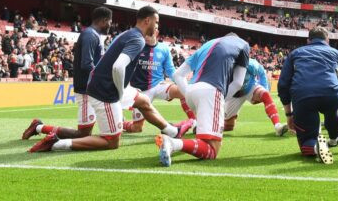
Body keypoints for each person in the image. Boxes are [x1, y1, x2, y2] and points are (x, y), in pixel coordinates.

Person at [28, 6, 187, 152]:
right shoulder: (137, 40)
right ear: (148, 21)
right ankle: (54, 143)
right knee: (111, 142)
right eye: (156, 22)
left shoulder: (128, 34)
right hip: (106, 91)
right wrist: (118, 93)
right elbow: (118, 67)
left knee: (144, 101)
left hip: (108, 84)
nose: (157, 26)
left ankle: (173, 132)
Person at [156, 33, 250, 165]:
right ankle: (172, 143)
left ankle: (175, 142)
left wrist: (188, 92)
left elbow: (178, 75)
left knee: (205, 141)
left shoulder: (207, 44)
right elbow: (238, 83)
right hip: (211, 92)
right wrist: (221, 100)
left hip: (192, 92)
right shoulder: (243, 44)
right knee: (213, 149)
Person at [22, 7, 113, 140]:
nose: (111, 25)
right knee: (83, 134)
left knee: (87, 132)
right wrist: (103, 77)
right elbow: (87, 64)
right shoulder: (90, 35)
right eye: (110, 21)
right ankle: (38, 127)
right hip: (86, 89)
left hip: (92, 89)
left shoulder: (94, 35)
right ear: (105, 20)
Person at [278, 27, 338, 165]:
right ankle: (334, 138)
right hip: (331, 93)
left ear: (308, 40)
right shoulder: (336, 53)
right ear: (327, 40)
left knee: (306, 142)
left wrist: (289, 115)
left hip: (303, 95)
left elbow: (283, 85)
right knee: (331, 112)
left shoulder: (295, 53)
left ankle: (314, 146)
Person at [122, 30, 195, 133]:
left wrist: (181, 82)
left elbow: (170, 70)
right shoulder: (137, 47)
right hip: (140, 91)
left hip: (158, 86)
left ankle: (195, 121)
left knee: (183, 91)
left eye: (150, 33)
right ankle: (121, 123)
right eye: (145, 33)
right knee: (137, 128)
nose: (146, 36)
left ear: (156, 33)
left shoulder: (164, 48)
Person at [224, 58, 288, 136]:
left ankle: (277, 126)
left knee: (265, 95)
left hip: (250, 88)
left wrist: (265, 89)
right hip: (234, 95)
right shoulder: (223, 67)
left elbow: (261, 71)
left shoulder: (250, 64)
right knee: (229, 126)